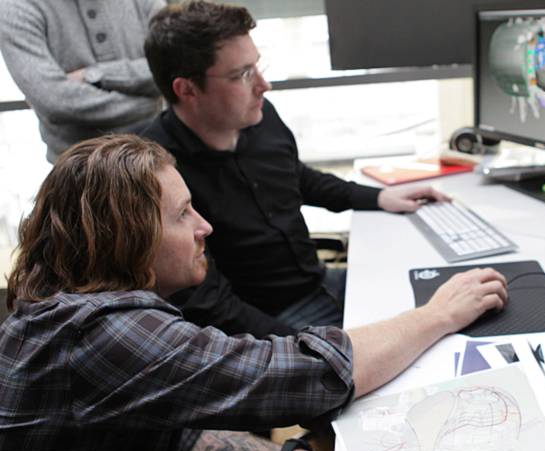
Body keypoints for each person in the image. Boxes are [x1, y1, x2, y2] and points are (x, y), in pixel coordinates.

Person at [0, 134, 507, 451]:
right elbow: (304, 374)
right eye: (182, 215)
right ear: (125, 238)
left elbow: (176, 431)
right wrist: (438, 314)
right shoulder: (100, 332)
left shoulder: (67, 304)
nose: (205, 226)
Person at [141, 0, 446, 335]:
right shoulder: (159, 175)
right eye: (242, 74)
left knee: (444, 292)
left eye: (257, 66)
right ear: (186, 89)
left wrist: (379, 197)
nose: (263, 85)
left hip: (322, 282)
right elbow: (210, 304)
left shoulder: (258, 114)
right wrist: (306, 350)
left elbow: (296, 178)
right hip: (270, 321)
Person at [0, 0, 164, 162]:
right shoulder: (17, 7)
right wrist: (151, 104)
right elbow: (55, 101)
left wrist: (95, 75)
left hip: (160, 153)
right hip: (80, 170)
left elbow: (175, 62)